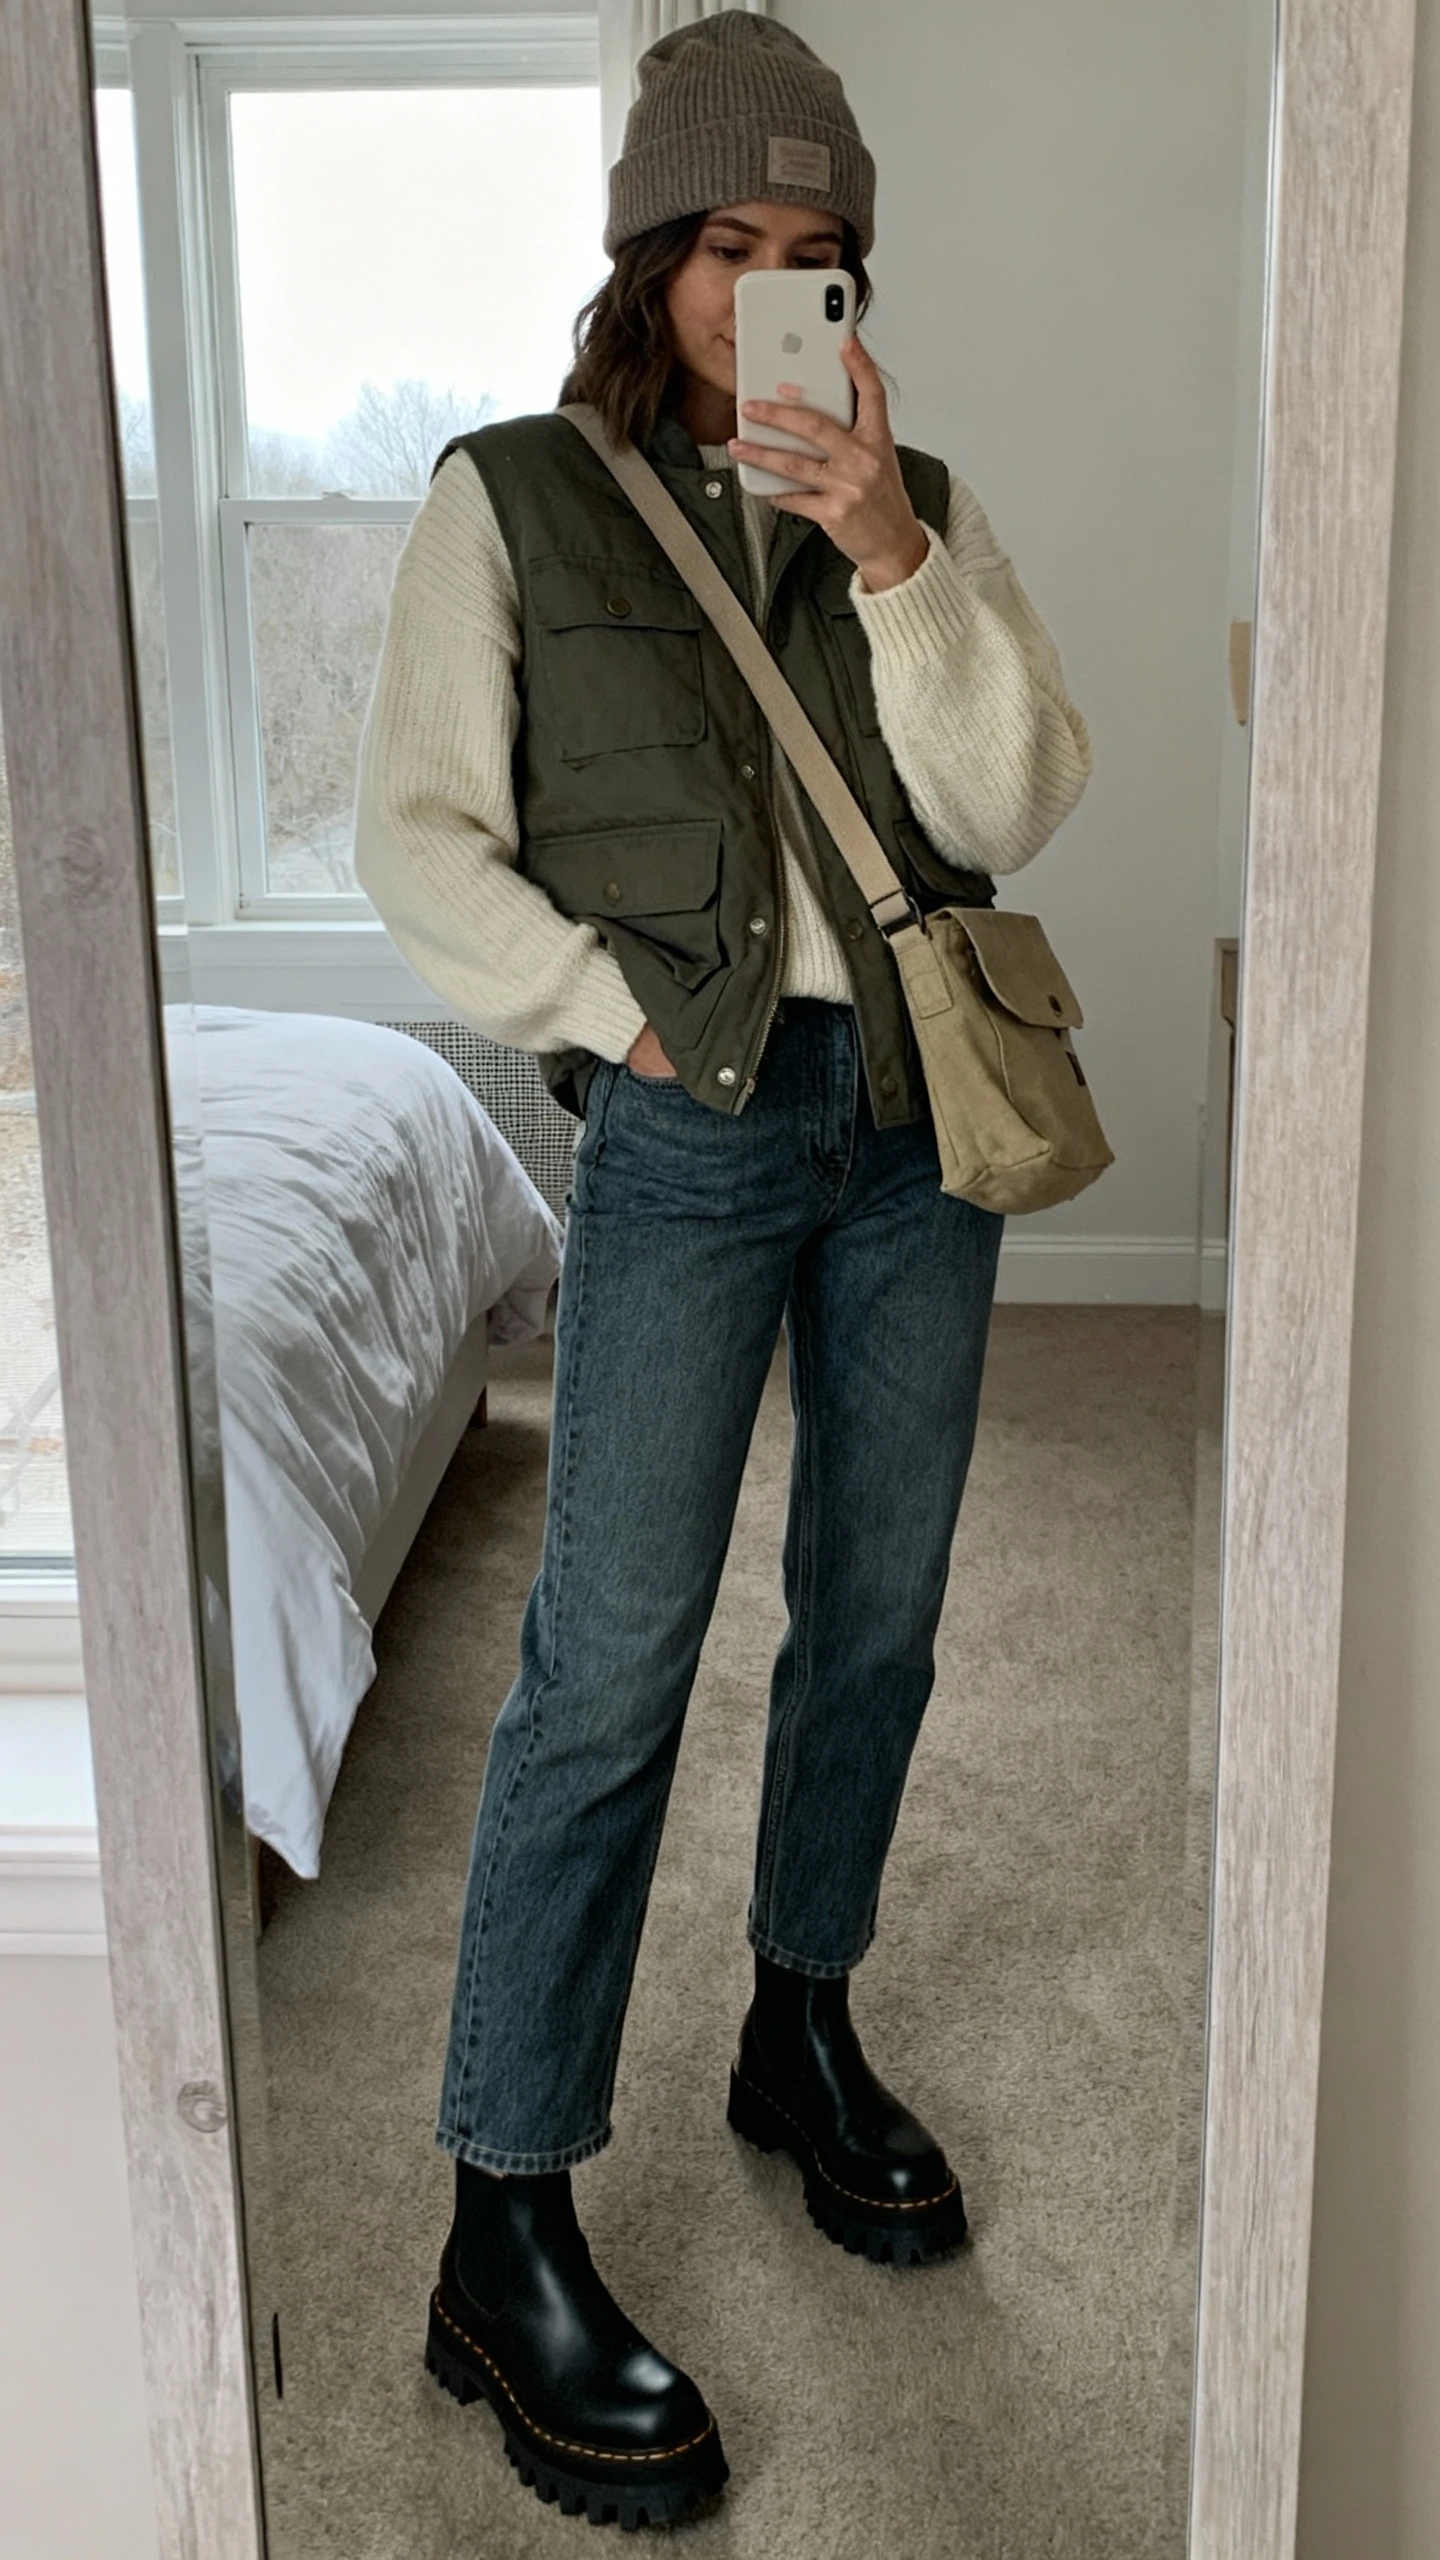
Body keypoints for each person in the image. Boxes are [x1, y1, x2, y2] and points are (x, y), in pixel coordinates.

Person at [355, 11, 1090, 2530]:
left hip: (912, 1132)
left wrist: (895, 550)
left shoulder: (915, 504)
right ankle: (502, 2212)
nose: (761, 289)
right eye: (727, 246)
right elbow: (420, 837)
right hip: (686, 1132)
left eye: (814, 253)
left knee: (876, 1613)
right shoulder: (513, 498)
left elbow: (1014, 796)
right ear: (651, 251)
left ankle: (801, 2017)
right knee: (608, 1663)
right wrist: (616, 1023)